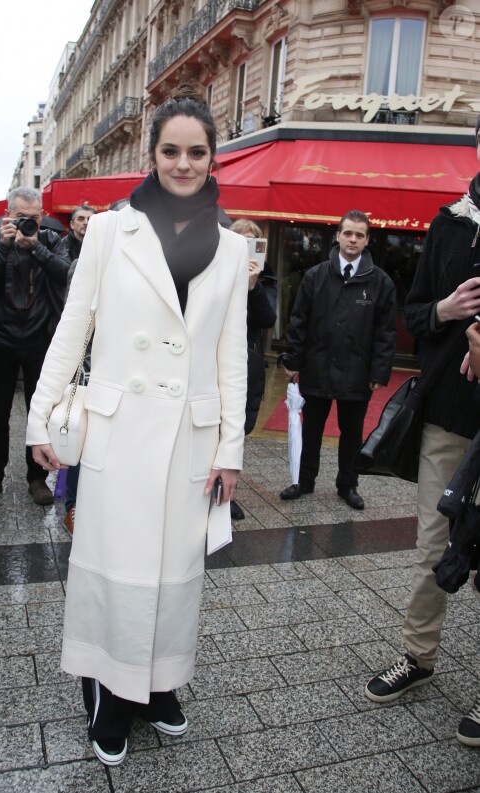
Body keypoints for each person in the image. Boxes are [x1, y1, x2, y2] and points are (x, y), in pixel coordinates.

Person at [26, 84, 248, 767]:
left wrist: (232, 447)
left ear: (213, 159)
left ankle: (160, 683)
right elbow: (74, 328)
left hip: (190, 434)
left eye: (198, 152)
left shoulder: (235, 249)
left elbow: (231, 353)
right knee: (118, 568)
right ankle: (111, 694)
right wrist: (40, 416)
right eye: (171, 151)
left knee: (176, 571)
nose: (184, 163)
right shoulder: (109, 231)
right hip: (119, 433)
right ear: (151, 155)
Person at [365, 121, 480, 749]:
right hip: (446, 417)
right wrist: (443, 311)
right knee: (432, 549)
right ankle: (418, 655)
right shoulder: (449, 225)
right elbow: (413, 314)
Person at [279, 210, 396, 509]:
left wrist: (379, 372)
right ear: (338, 235)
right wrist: (292, 362)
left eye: (359, 234)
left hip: (357, 372)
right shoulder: (315, 276)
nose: (353, 239)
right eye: (348, 233)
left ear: (367, 240)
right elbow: (298, 321)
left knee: (352, 432)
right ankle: (304, 481)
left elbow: (386, 332)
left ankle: (348, 484)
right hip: (316, 367)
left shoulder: (380, 283)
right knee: (312, 429)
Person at [0, 187, 71, 506]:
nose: (30, 224)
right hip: (1, 340)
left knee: (36, 415)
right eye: (22, 218)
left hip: (40, 339)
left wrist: (36, 247)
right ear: (8, 217)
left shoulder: (51, 240)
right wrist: (3, 247)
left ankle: (36, 479)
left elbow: (66, 274)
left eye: (35, 219)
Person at [228, 219, 276, 520]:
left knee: (237, 430)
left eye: (252, 242)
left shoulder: (265, 278)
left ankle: (227, 492)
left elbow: (268, 318)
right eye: (240, 242)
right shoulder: (214, 271)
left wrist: (253, 287)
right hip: (213, 360)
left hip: (247, 362)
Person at [61, 204, 95, 537]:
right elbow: (74, 324)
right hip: (89, 369)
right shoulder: (81, 265)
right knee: (83, 439)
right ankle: (73, 504)